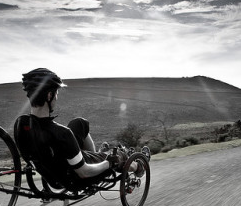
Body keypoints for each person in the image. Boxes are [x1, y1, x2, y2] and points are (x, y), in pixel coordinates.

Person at [20, 67, 150, 180]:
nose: (56, 97)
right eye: (56, 93)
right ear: (49, 96)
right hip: (79, 173)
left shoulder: (21, 125)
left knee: (79, 123)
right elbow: (84, 173)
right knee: (119, 156)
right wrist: (108, 163)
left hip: (56, 169)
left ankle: (96, 154)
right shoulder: (62, 134)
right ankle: (139, 166)